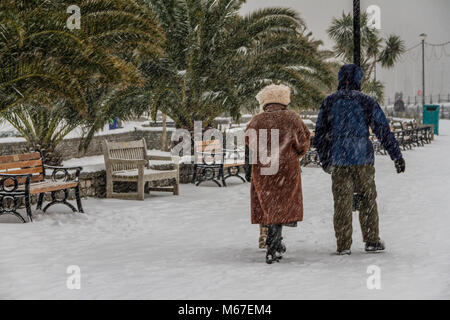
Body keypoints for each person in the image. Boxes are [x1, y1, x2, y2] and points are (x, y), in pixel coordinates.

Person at [315, 64, 406, 255]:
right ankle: (372, 240)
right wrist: (396, 156)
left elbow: (320, 134)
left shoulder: (329, 102)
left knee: (342, 203)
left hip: (339, 159)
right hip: (362, 158)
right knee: (368, 200)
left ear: (340, 79)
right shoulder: (366, 101)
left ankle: (343, 244)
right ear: (358, 79)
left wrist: (325, 160)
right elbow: (383, 130)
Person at [245, 84, 311, 264]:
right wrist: (294, 154)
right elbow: (304, 141)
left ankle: (273, 242)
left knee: (268, 203)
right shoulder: (292, 118)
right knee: (282, 204)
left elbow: (249, 140)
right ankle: (274, 245)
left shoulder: (256, 120)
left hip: (263, 169)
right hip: (286, 169)